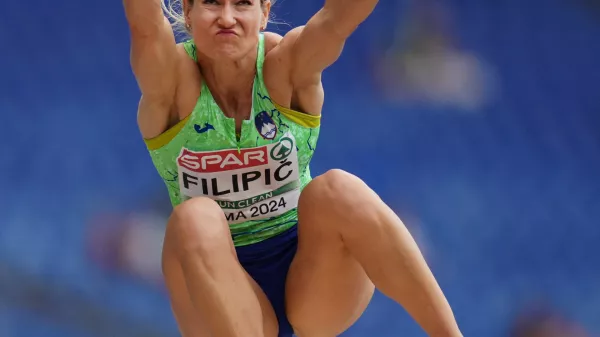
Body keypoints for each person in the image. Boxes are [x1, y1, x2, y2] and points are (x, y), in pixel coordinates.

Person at [122, 0, 463, 336]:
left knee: (338, 189)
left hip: (310, 282)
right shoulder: (170, 82)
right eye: (212, 3)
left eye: (242, 4)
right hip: (216, 289)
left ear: (265, 13)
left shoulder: (286, 66)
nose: (227, 18)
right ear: (188, 12)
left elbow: (339, 17)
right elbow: (146, 26)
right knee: (193, 219)